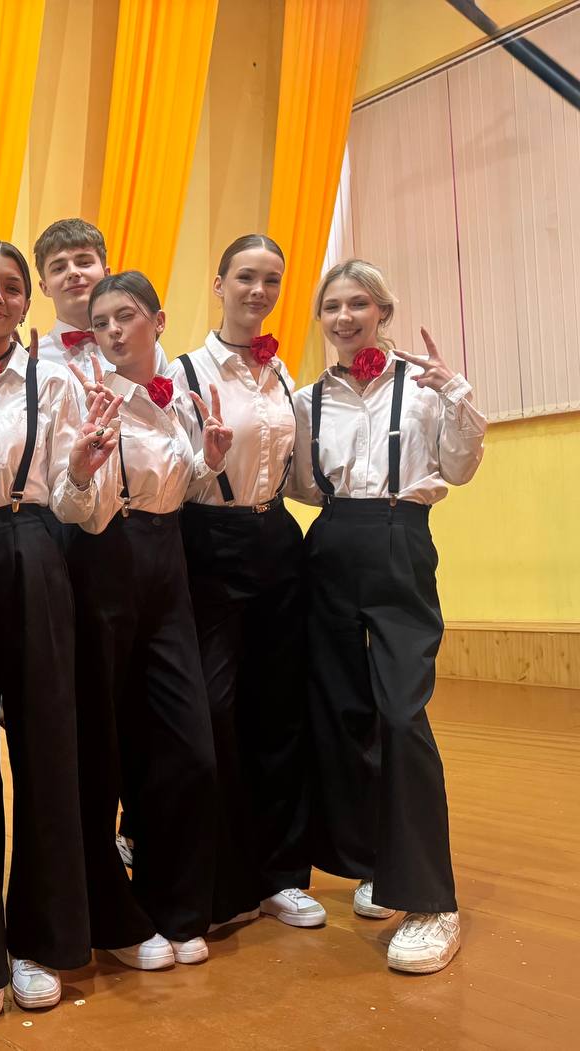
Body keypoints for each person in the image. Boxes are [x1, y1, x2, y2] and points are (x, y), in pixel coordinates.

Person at [0, 240, 121, 1018]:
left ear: (24, 301)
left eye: (11, 286)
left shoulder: (56, 381)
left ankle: (40, 939)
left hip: (34, 549)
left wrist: (83, 469)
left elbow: (81, 509)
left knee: (46, 751)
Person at [291, 259, 485, 974]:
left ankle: (434, 902)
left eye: (358, 304)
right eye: (332, 306)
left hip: (403, 536)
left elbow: (459, 470)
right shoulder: (308, 399)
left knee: (402, 714)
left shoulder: (426, 389)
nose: (344, 317)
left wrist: (456, 393)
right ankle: (376, 862)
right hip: (332, 541)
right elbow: (304, 484)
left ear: (384, 312)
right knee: (344, 712)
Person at [67, 271, 228, 967]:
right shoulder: (85, 394)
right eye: (100, 321)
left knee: (189, 745)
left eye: (125, 316)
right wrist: (84, 468)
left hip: (169, 564)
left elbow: (179, 485)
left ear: (158, 321)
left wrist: (208, 463)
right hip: (105, 558)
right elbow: (74, 500)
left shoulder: (178, 396)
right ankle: (112, 917)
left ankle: (179, 904)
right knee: (102, 750)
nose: (111, 330)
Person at [171, 234, 326, 933]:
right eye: (245, 277)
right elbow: (175, 477)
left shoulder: (283, 375)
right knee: (213, 710)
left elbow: (299, 476)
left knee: (280, 708)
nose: (258, 291)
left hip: (276, 539)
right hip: (208, 540)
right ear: (219, 284)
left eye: (271, 280)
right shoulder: (182, 372)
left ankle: (281, 874)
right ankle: (218, 879)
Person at [32, 218, 168, 376]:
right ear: (44, 287)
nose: (73, 272)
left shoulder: (146, 348)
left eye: (84, 262)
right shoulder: (32, 359)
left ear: (106, 274)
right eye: (59, 268)